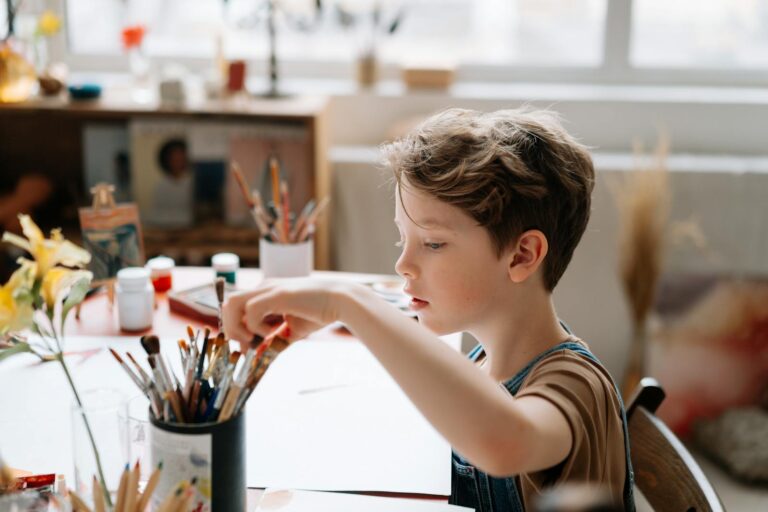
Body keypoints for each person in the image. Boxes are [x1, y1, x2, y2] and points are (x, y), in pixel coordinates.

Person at [223, 108, 634, 511]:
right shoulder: (481, 361)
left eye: (433, 243)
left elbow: (506, 443)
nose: (403, 265)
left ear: (522, 255)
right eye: (404, 239)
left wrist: (347, 302)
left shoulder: (576, 384)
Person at [151, 138, 193, 227]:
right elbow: (158, 214)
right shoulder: (161, 186)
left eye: (181, 158)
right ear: (168, 160)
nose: (178, 162)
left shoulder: (192, 183)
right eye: (174, 158)